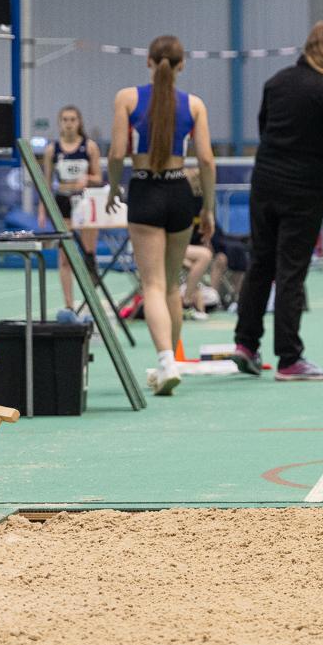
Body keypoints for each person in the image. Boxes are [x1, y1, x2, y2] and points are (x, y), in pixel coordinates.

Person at [229, 22, 323, 382]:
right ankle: (289, 358)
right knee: (291, 270)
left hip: (265, 182)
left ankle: (245, 344)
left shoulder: (277, 82)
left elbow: (264, 129)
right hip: (303, 190)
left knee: (261, 263)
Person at [107, 36, 216, 397]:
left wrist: (113, 188)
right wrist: (208, 207)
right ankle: (170, 362)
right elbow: (206, 160)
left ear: (149, 62)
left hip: (145, 190)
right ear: (182, 65)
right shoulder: (195, 105)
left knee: (151, 285)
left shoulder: (127, 98)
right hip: (179, 193)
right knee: (171, 285)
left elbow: (116, 153)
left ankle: (166, 361)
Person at [39, 105, 102, 314]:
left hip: (85, 202)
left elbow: (99, 178)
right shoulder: (52, 150)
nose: (69, 123)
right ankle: (69, 305)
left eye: (72, 119)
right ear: (60, 123)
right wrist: (42, 210)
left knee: (88, 255)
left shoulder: (89, 147)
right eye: (65, 119)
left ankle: (92, 302)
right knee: (65, 257)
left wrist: (87, 178)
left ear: (79, 122)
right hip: (63, 202)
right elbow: (46, 183)